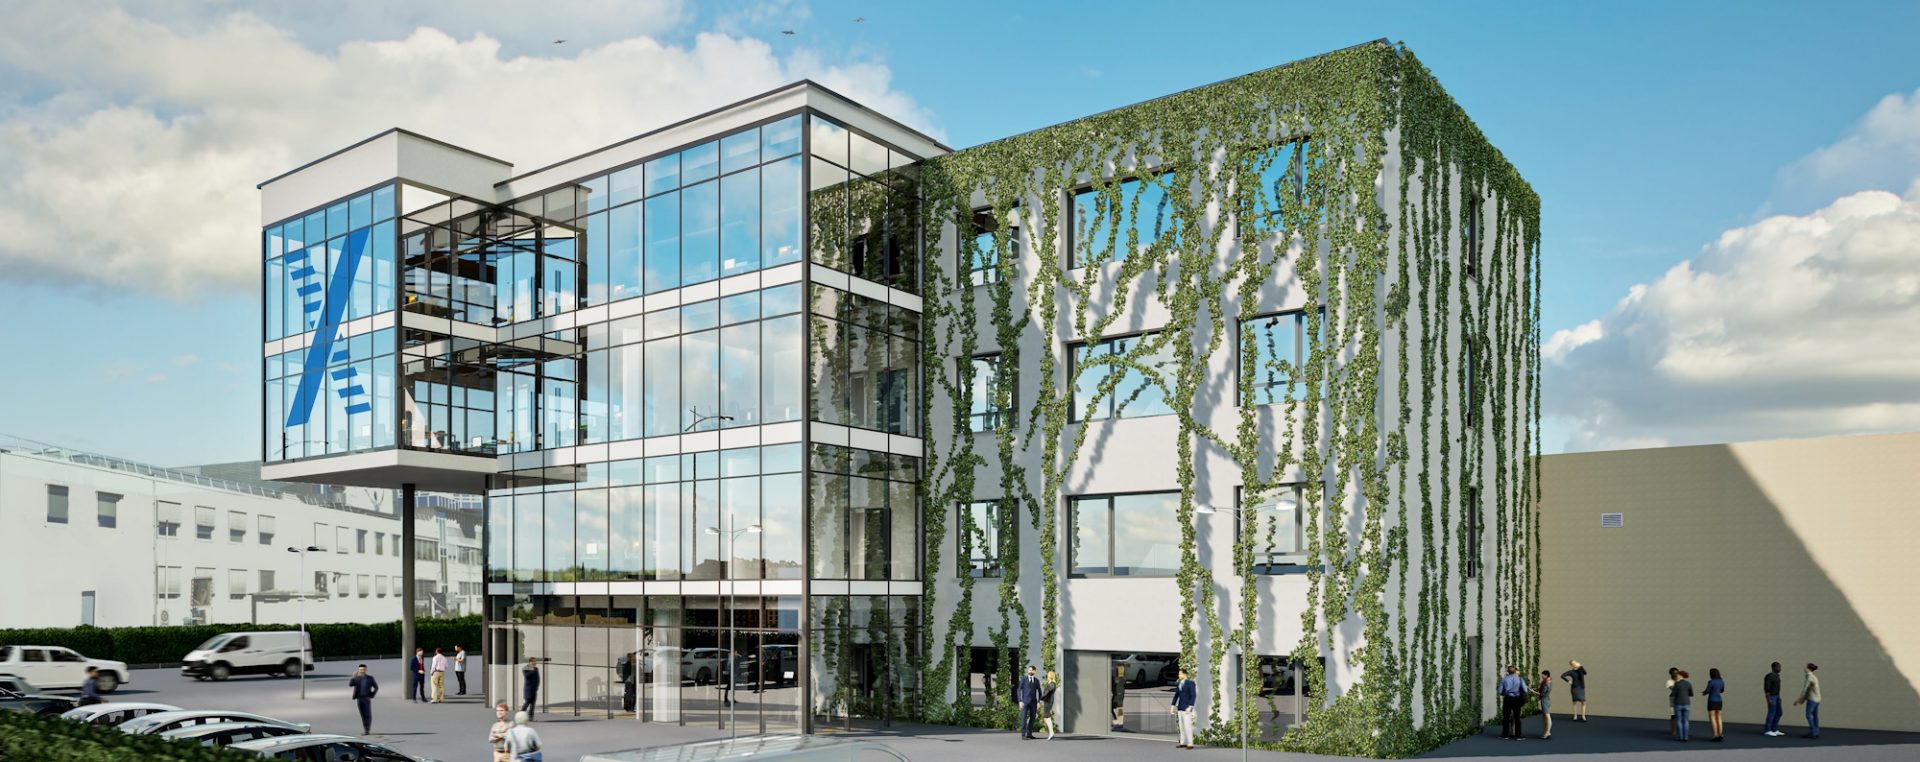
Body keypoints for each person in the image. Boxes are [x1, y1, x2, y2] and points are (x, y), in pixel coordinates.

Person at [1171, 668, 1198, 749]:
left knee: (1187, 726)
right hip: (1180, 708)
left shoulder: (1190, 683)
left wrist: (1190, 706)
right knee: (1181, 726)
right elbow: (1176, 696)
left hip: (1187, 708)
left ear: (1184, 674)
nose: (1179, 675)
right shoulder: (1179, 684)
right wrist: (1172, 706)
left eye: (1180, 674)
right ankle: (1183, 742)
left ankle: (1190, 743)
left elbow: (1193, 695)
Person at [348, 664, 379, 735]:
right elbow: (350, 684)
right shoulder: (357, 678)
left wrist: (371, 695)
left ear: (366, 670)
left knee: (367, 714)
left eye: (363, 670)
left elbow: (376, 687)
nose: (362, 671)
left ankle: (367, 729)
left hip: (366, 698)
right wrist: (353, 677)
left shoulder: (370, 678)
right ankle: (365, 728)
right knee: (362, 714)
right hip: (359, 698)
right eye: (360, 670)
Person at [1498, 666, 1527, 740]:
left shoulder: (1504, 679)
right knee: (1517, 717)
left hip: (1508, 699)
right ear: (1515, 671)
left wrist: (1505, 693)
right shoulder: (1520, 679)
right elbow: (1525, 690)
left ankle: (1505, 735)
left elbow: (1500, 691)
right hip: (1517, 699)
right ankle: (1518, 735)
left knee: (1506, 717)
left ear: (1508, 671)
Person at [1793, 663, 1821, 739]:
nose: (1804, 668)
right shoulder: (1814, 677)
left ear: (1808, 668)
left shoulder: (1809, 677)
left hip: (1812, 699)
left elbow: (1805, 690)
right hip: (1817, 699)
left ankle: (1813, 731)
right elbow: (1809, 690)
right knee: (1815, 716)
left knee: (1808, 715)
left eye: (1806, 667)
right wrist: (1803, 700)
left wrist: (1799, 700)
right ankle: (1816, 731)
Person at [1016, 665, 1041, 740]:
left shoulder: (1036, 681)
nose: (1030, 671)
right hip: (1025, 702)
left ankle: (1029, 734)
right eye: (1029, 670)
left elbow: (1040, 692)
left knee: (1033, 718)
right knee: (1023, 718)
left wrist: (1039, 701)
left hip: (1033, 703)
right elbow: (1018, 690)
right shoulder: (1023, 679)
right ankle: (1023, 734)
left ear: (1034, 671)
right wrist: (1020, 701)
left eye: (1031, 670)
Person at [1703, 668, 1726, 742]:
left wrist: (1704, 692)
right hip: (1719, 701)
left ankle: (1715, 734)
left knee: (1712, 718)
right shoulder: (1721, 681)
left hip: (1712, 701)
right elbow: (1722, 690)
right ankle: (1721, 734)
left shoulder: (1711, 682)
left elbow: (1707, 690)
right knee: (1719, 718)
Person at [1671, 670, 1694, 741]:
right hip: (1687, 703)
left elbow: (1673, 694)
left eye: (1677, 675)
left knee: (1679, 721)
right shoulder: (1688, 683)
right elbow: (1691, 694)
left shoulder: (1677, 684)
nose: (1676, 676)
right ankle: (1686, 737)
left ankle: (1680, 737)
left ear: (1681, 675)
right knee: (1686, 721)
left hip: (1678, 703)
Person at [1762, 661, 1785, 737]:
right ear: (1774, 668)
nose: (1780, 668)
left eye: (1780, 667)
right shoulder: (1769, 676)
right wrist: (1768, 699)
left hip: (1777, 696)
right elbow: (1767, 689)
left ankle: (1774, 729)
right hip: (1772, 696)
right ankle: (1768, 730)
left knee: (1779, 712)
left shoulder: (1777, 676)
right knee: (1771, 713)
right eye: (1778, 667)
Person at [1039, 669, 1059, 741]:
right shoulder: (1050, 683)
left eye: (1048, 675)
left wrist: (1041, 699)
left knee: (1047, 716)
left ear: (1050, 676)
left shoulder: (1052, 684)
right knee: (1046, 717)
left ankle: (1051, 732)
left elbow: (1046, 693)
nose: (1047, 676)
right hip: (1047, 701)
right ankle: (1051, 732)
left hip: (1048, 702)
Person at [1535, 670, 1553, 740]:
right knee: (1545, 717)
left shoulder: (1545, 683)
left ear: (1546, 675)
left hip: (1544, 700)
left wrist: (1534, 692)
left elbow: (1542, 693)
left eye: (1543, 675)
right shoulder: (1549, 681)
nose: (1542, 676)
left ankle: (1547, 732)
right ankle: (1546, 731)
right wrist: (1537, 689)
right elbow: (1542, 690)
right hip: (1547, 699)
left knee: (1547, 716)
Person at [1111, 664, 1127, 730]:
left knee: (1114, 708)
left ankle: (1118, 722)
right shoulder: (1121, 678)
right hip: (1119, 695)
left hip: (1118, 695)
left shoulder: (1118, 679)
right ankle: (1118, 722)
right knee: (1118, 709)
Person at [1666, 667, 1679, 737]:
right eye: (1674, 673)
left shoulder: (1680, 680)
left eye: (1677, 672)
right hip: (1673, 699)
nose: (1676, 674)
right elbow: (1674, 690)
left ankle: (1682, 730)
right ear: (1671, 674)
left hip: (1681, 698)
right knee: (1673, 715)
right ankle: (1673, 730)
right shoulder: (1669, 681)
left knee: (1682, 715)